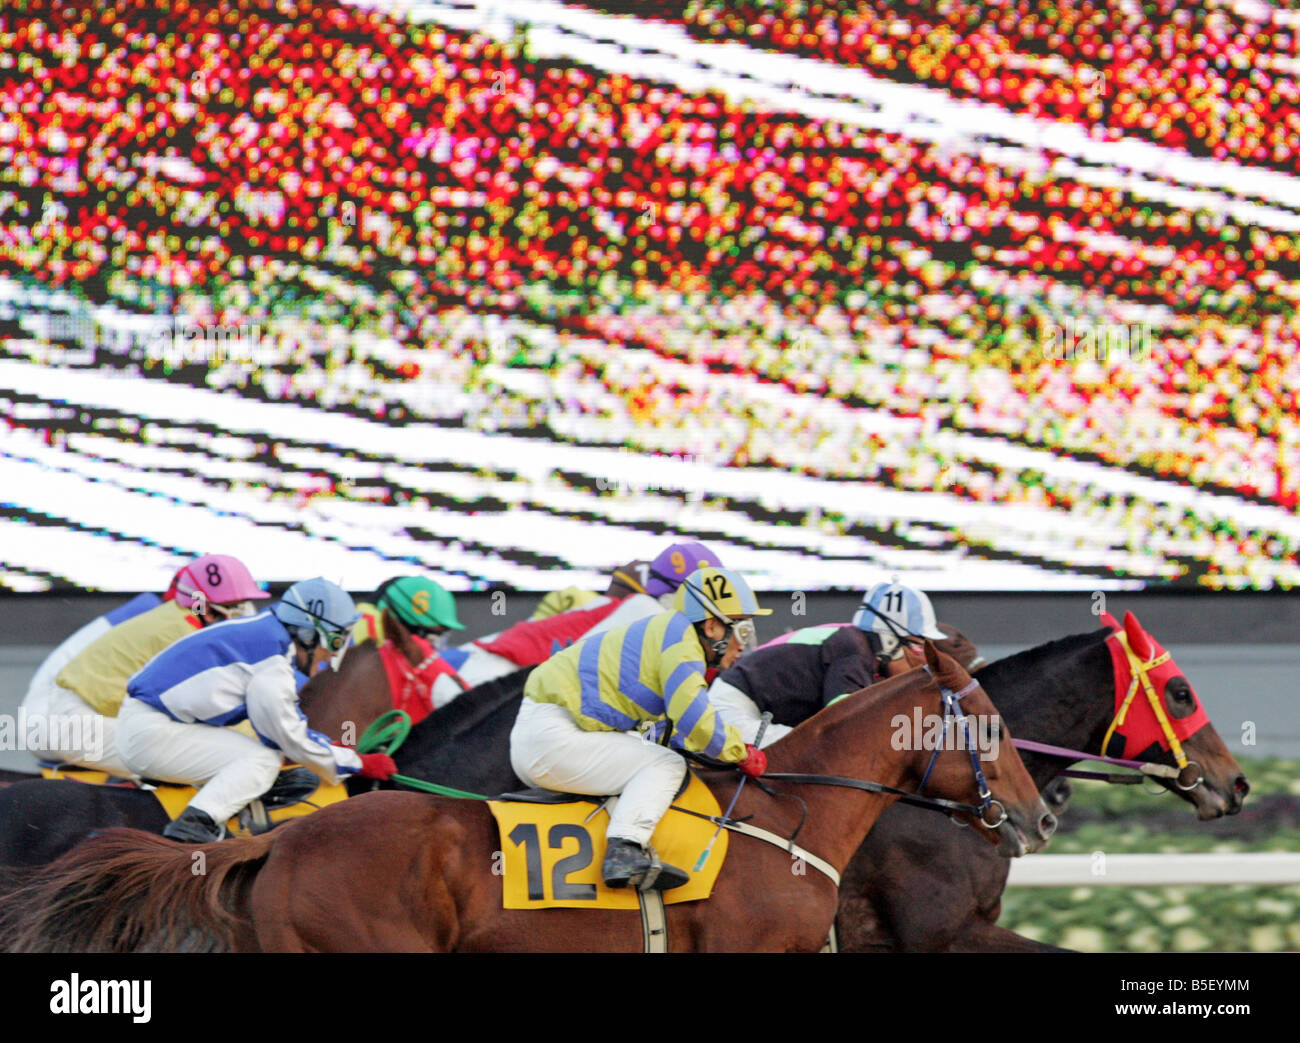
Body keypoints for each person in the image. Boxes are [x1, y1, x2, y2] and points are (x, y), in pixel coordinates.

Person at [509, 565, 769, 892]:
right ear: (713, 626)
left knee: (660, 758)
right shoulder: (682, 644)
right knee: (666, 764)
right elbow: (692, 715)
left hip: (546, 734)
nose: (743, 645)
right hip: (554, 737)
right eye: (742, 631)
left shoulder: (664, 635)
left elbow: (662, 729)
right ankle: (624, 851)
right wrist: (740, 751)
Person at [118, 578, 396, 842]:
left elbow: (282, 728)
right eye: (335, 642)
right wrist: (358, 762)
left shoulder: (263, 633)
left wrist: (326, 747)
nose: (334, 654)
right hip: (152, 734)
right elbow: (287, 738)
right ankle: (194, 827)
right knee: (264, 760)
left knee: (266, 755)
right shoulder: (272, 663)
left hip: (152, 724)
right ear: (307, 634)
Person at [20, 555, 268, 776]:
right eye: (232, 607)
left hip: (62, 716)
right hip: (63, 721)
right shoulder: (177, 629)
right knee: (218, 757)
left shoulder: (166, 617)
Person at [708, 580, 949, 747]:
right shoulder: (854, 651)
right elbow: (844, 727)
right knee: (815, 752)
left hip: (745, 707)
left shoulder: (855, 645)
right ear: (888, 641)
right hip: (734, 708)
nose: (924, 660)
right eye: (918, 647)